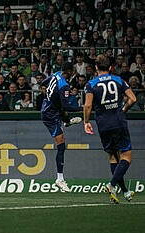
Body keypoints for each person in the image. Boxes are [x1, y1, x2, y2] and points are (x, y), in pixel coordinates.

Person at [84, 54, 137, 204]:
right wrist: (123, 109)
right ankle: (111, 184)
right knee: (126, 156)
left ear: (95, 68)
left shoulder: (91, 84)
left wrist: (86, 121)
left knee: (113, 157)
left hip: (103, 125)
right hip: (118, 122)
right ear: (110, 68)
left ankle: (125, 192)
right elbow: (133, 98)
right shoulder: (119, 80)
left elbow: (88, 105)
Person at [41, 62, 83, 192]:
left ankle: (67, 121)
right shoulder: (64, 85)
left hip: (49, 107)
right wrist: (83, 108)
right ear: (69, 72)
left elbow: (43, 82)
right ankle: (59, 178)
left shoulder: (55, 75)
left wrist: (49, 95)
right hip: (51, 115)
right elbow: (67, 106)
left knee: (61, 109)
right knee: (61, 145)